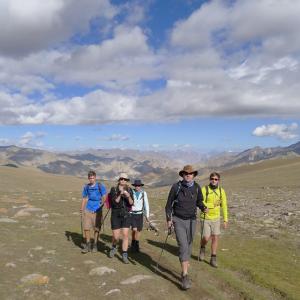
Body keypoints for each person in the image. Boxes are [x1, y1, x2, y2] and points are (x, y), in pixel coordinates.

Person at [165, 165, 206, 290]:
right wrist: (169, 219)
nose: (188, 175)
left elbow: (199, 202)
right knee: (183, 246)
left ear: (194, 175)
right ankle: (185, 275)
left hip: (192, 221)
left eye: (191, 173)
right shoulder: (176, 187)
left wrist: (203, 207)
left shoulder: (197, 188)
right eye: (186, 173)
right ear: (182, 175)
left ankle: (185, 268)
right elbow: (168, 205)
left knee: (188, 245)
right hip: (178, 220)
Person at [199, 172, 228, 268]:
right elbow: (200, 202)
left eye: (216, 179)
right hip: (205, 217)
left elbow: (224, 206)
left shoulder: (221, 191)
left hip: (216, 218)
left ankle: (213, 258)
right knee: (206, 238)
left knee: (215, 237)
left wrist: (225, 219)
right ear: (210, 179)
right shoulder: (204, 189)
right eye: (212, 178)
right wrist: (213, 205)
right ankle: (202, 248)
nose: (214, 180)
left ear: (219, 180)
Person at [108, 173, 134, 264]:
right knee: (116, 236)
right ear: (119, 180)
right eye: (121, 179)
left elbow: (131, 203)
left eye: (125, 179)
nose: (123, 180)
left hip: (126, 214)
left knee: (126, 235)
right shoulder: (113, 189)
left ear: (127, 181)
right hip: (115, 214)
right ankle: (114, 247)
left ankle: (124, 254)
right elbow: (115, 202)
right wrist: (120, 194)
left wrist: (128, 196)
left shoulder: (130, 190)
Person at [80, 170, 106, 254]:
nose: (91, 179)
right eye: (90, 178)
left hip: (97, 209)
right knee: (86, 228)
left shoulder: (100, 186)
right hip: (88, 208)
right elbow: (84, 198)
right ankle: (88, 244)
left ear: (95, 178)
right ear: (88, 178)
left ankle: (95, 244)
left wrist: (101, 205)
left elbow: (104, 197)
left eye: (93, 178)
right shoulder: (86, 187)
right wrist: (82, 208)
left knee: (96, 228)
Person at [130, 179, 150, 253]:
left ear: (140, 186)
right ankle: (133, 242)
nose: (137, 187)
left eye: (139, 186)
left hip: (140, 214)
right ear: (134, 186)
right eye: (136, 186)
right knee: (134, 229)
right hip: (132, 214)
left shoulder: (144, 193)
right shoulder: (131, 192)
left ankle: (136, 244)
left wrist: (147, 216)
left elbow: (146, 204)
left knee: (138, 230)